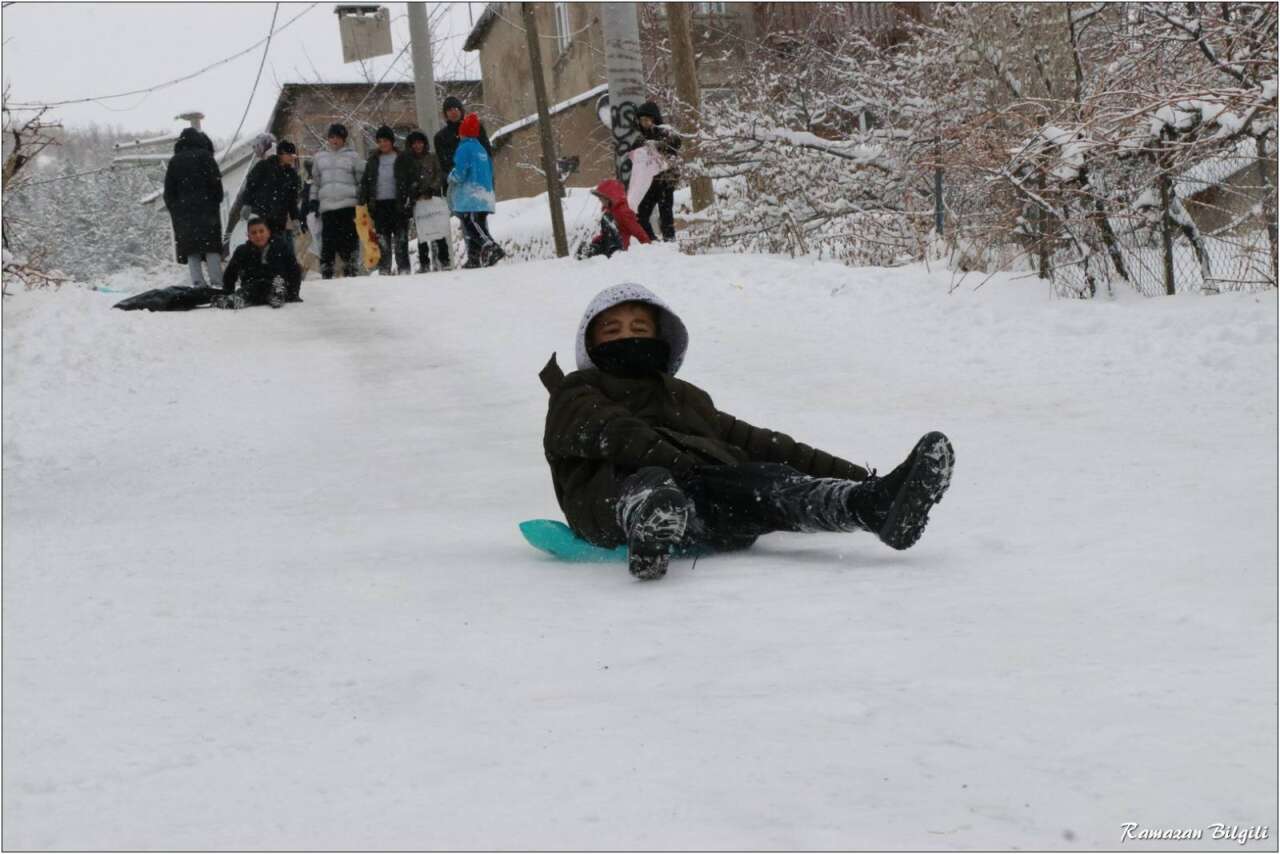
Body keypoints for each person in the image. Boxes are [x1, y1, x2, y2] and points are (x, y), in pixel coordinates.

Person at [539, 283, 955, 580]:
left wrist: (860, 477)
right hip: (611, 500)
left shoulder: (686, 398)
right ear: (591, 348)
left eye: (639, 328)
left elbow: (763, 442)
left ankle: (869, 507)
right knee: (651, 482)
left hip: (703, 497)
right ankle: (648, 525)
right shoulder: (576, 390)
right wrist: (686, 466)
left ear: (661, 338)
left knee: (768, 483)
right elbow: (614, 431)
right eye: (612, 331)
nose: (627, 337)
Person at [434, 96, 492, 268]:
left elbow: (486, 154)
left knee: (478, 219)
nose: (453, 112)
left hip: (477, 183)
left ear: (461, 110)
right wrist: (454, 176)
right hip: (458, 182)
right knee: (466, 220)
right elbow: (444, 162)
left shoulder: (476, 129)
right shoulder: (441, 137)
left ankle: (486, 252)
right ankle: (475, 256)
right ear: (445, 114)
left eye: (456, 108)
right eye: (449, 109)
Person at [163, 127, 224, 289]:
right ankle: (217, 283)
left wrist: (177, 210)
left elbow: (168, 193)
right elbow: (217, 188)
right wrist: (212, 203)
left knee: (192, 249)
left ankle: (198, 284)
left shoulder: (175, 161)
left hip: (185, 216)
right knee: (211, 247)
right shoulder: (206, 157)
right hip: (208, 213)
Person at [447, 113, 504, 268]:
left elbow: (460, 172)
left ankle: (491, 246)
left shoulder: (464, 148)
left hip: (471, 195)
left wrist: (451, 177)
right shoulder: (481, 149)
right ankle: (474, 259)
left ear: (462, 132)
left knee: (471, 225)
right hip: (484, 194)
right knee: (480, 225)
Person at [310, 123, 364, 279]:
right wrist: (313, 200)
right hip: (327, 207)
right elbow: (315, 182)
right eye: (332, 137)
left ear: (344, 139)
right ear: (328, 139)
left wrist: (361, 198)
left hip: (348, 205)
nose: (335, 140)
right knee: (328, 242)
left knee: (349, 240)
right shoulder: (319, 158)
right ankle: (327, 271)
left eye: (338, 137)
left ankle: (351, 269)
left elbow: (361, 180)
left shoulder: (353, 156)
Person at [212, 217, 303, 309]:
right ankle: (238, 299)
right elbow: (230, 273)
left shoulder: (281, 247)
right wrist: (228, 291)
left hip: (277, 283)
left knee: (275, 284)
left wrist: (294, 293)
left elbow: (294, 270)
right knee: (255, 287)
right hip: (251, 287)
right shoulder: (242, 251)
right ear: (248, 236)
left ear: (268, 232)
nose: (258, 235)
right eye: (254, 233)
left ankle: (277, 296)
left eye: (261, 231)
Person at [359, 125, 413, 275]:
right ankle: (384, 269)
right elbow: (366, 182)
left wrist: (410, 198)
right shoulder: (373, 160)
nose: (383, 144)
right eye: (380, 141)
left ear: (392, 141)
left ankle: (404, 269)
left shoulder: (402, 157)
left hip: (399, 204)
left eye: (386, 140)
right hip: (379, 205)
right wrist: (362, 200)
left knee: (401, 240)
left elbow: (411, 179)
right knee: (383, 241)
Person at [236, 139, 301, 255]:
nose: (293, 158)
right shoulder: (264, 166)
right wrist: (247, 204)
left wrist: (295, 217)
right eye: (290, 154)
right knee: (263, 248)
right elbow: (250, 186)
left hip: (280, 219)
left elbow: (292, 199)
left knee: (279, 249)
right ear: (281, 154)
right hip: (261, 215)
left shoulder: (292, 175)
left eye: (293, 155)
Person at [632, 101, 682, 242]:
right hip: (649, 181)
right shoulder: (640, 138)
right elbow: (634, 154)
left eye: (647, 120)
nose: (644, 123)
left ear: (654, 119)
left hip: (666, 179)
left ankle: (669, 240)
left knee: (665, 211)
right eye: (641, 120)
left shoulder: (664, 131)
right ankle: (652, 242)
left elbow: (676, 142)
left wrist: (657, 145)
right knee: (641, 213)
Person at [404, 130, 449, 272]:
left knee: (439, 231)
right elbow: (406, 179)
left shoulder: (432, 158)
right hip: (418, 201)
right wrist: (414, 191)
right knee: (422, 234)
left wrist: (432, 188)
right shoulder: (408, 161)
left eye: (420, 142)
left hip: (433, 198)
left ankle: (444, 260)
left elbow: (439, 175)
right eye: (415, 143)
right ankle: (424, 263)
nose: (418, 146)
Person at [578, 179, 651, 259]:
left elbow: (638, 231)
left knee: (607, 218)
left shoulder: (623, 212)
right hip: (609, 244)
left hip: (619, 246)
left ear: (609, 198)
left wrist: (648, 247)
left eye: (601, 198)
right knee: (595, 246)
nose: (599, 200)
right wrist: (597, 240)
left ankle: (608, 251)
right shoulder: (607, 210)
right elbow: (607, 233)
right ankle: (589, 251)